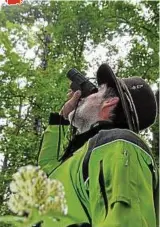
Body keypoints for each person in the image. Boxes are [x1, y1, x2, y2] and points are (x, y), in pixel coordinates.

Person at [38, 63, 159, 227]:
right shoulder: (86, 153)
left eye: (96, 92)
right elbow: (49, 167)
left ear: (109, 102)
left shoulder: (120, 144)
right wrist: (62, 118)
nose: (84, 98)